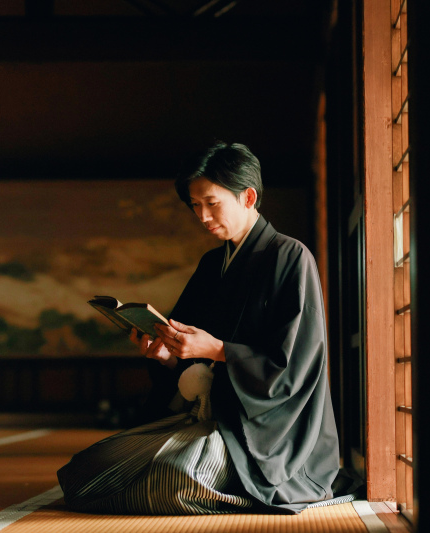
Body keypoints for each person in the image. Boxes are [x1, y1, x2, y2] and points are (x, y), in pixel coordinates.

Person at [58, 142, 351, 515]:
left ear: (248, 196)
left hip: (266, 437)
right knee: (88, 469)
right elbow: (188, 354)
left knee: (169, 477)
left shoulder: (290, 257)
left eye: (212, 203)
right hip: (208, 416)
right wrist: (166, 356)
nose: (202, 216)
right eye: (195, 205)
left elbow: (293, 368)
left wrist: (218, 350)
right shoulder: (213, 264)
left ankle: (239, 484)